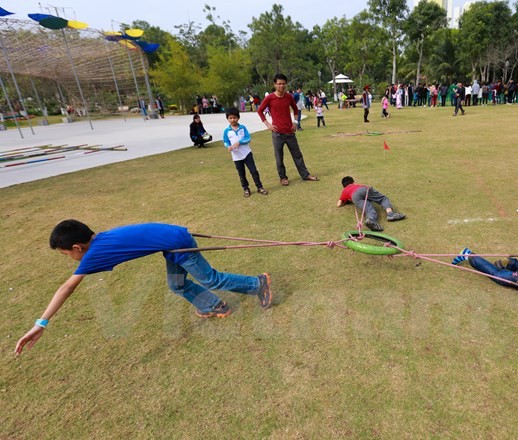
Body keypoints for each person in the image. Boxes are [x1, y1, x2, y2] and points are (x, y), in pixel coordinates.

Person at [14, 220, 274, 356]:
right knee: (177, 284)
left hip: (177, 242)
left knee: (210, 279)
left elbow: (66, 288)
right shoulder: (100, 239)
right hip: (170, 240)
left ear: (77, 248)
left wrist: (41, 323)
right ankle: (214, 305)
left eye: (65, 255)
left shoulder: (92, 253)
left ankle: (257, 283)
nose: (68, 259)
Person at [257, 74, 319, 186]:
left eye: (283, 83)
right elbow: (260, 110)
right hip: (277, 133)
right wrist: (268, 124)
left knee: (297, 155)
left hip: (290, 132)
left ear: (286, 84)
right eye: (279, 84)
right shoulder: (270, 98)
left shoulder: (289, 97)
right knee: (279, 157)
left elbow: (295, 109)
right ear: (275, 84)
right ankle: (283, 177)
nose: (281, 86)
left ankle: (305, 175)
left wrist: (295, 122)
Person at [222, 107, 268, 198]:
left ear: (238, 118)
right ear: (227, 119)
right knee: (241, 174)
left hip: (247, 154)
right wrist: (228, 146)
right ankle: (246, 188)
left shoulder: (242, 128)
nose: (232, 120)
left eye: (234, 118)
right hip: (236, 157)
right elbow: (225, 141)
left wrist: (240, 142)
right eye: (230, 118)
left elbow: (248, 138)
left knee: (253, 171)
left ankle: (259, 187)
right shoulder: (227, 131)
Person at [336, 176, 406, 232]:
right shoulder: (356, 185)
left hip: (354, 197)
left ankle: (371, 220)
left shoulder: (344, 191)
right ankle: (391, 214)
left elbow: (338, 204)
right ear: (353, 182)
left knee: (369, 210)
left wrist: (347, 201)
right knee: (383, 199)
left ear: (344, 186)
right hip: (363, 189)